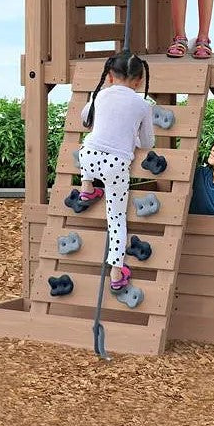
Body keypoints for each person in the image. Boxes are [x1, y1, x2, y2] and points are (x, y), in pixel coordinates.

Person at [76, 51, 155, 291]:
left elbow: (85, 119)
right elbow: (148, 142)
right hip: (115, 165)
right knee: (116, 219)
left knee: (88, 145)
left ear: (110, 76)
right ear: (139, 81)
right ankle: (117, 271)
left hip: (87, 157)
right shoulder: (143, 105)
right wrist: (133, 140)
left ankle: (87, 187)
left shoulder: (100, 95)